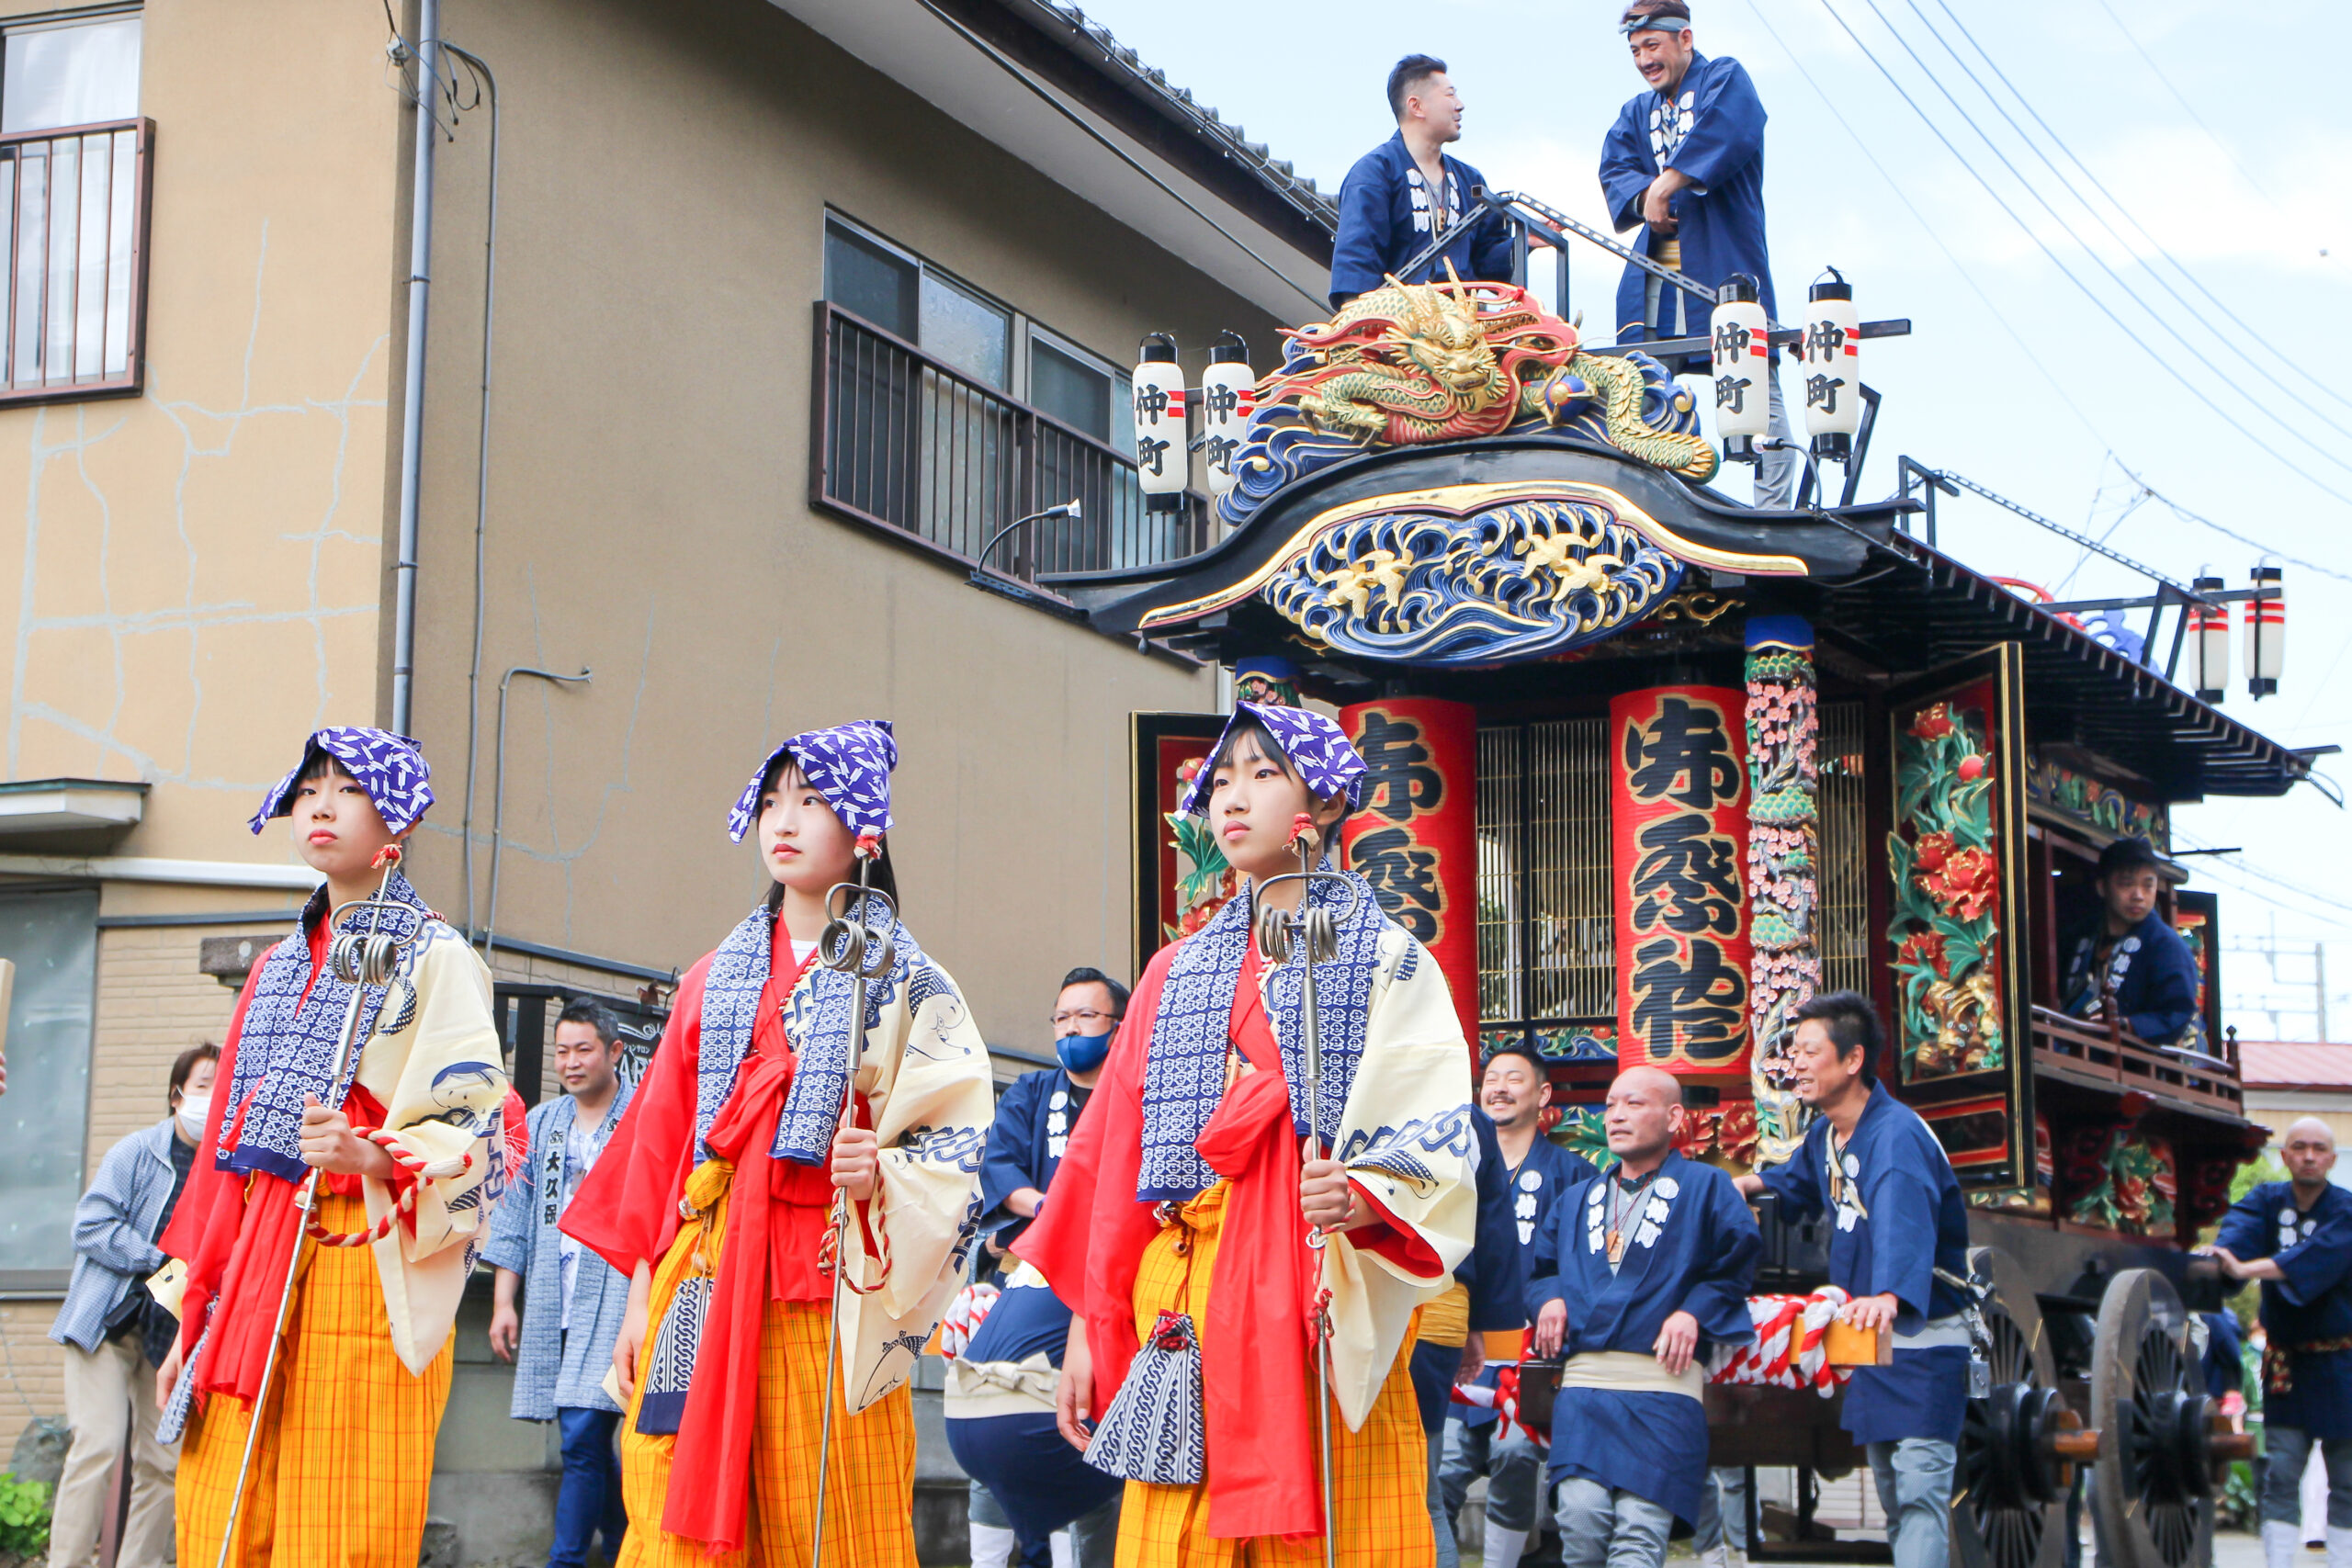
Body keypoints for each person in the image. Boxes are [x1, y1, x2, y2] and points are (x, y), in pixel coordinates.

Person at [1023, 701, 1478, 1568]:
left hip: (1319, 1281)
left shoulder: (1390, 957)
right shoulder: (1176, 967)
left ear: (1327, 802)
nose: (1232, 797)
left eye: (1263, 773)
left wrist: (1368, 1190)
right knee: (1174, 1539)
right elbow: (1114, 1152)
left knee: (1342, 1527)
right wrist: (1089, 1319)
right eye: (1222, 778)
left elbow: (1432, 1120)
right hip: (1183, 1287)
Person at [561, 720, 994, 1565]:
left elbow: (955, 1139)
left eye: (811, 800)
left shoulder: (910, 979)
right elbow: (660, 1145)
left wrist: (882, 1169)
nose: (783, 821)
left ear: (863, 825)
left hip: (827, 1273)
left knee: (836, 1512)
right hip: (703, 1266)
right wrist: (639, 1295)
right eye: (770, 802)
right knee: (666, 1489)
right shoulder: (708, 976)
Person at [154, 728, 512, 1568]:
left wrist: (376, 1154)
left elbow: (490, 1128)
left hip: (362, 1259)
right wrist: (190, 1317)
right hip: (253, 1258)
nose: (320, 802)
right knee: (220, 1509)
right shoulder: (277, 967)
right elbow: (223, 1164)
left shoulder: (439, 956)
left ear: (396, 817)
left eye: (347, 788)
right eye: (309, 786)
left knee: (344, 1515)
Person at [1734, 992, 1969, 1568]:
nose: (1798, 1065)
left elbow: (1904, 1218)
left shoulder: (1897, 1135)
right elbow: (1797, 1180)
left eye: (1811, 1052)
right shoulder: (1826, 1135)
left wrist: (1889, 1293)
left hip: (1921, 1333)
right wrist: (1747, 1186)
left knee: (1918, 1494)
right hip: (1872, 1340)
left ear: (1853, 1059)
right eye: (1795, 1053)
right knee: (1894, 1491)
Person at [1530, 1067, 1758, 1568]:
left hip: (1663, 1391)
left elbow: (1734, 1268)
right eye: (1611, 1105)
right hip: (1586, 1391)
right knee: (1580, 1523)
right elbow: (1540, 1270)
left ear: (1674, 1117)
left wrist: (1693, 1312)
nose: (1615, 1116)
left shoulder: (1710, 1187)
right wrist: (1549, 1299)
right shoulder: (1576, 1200)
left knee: (1639, 1532)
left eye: (1633, 1104)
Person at [954, 966, 1132, 1568]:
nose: (1071, 1027)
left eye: (1086, 1016)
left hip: (1111, 1290)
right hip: (1036, 1279)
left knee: (1080, 1431)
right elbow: (999, 1168)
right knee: (1002, 1413)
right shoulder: (1032, 1093)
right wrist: (1057, 1210)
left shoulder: (1134, 1097)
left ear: (1118, 1026)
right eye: (1062, 1017)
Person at [1600, 1, 1794, 508]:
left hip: (1725, 259)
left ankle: (1772, 513)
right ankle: (1649, 510)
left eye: (1653, 46)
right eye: (1635, 50)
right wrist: (1649, 199)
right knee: (1643, 390)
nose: (1644, 60)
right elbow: (1615, 168)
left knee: (1757, 395)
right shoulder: (1636, 113)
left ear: (1685, 39)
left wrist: (1667, 183)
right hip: (1659, 269)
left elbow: (1730, 128)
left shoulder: (1724, 78)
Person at [46, 1043, 217, 1568]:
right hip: (105, 1322)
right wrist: (157, 1259)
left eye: (222, 1086)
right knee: (97, 1446)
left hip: (168, 1336)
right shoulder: (137, 1151)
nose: (211, 1097)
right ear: (176, 1095)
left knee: (163, 1464)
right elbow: (89, 1226)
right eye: (202, 1086)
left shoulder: (228, 1172)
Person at [483, 999, 639, 1568]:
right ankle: (625, 1549)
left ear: (615, 1051)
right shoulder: (546, 1123)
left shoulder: (643, 1118)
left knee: (581, 1433)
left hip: (621, 1296)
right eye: (562, 1051)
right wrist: (504, 1301)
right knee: (591, 1440)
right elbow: (514, 1215)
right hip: (557, 1296)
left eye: (584, 1050)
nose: (571, 1062)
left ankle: (565, 1560)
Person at [1439, 1042, 1600, 1568]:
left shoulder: (1573, 1174)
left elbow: (1584, 1265)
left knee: (1514, 1453)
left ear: (1544, 1094)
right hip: (1465, 1345)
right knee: (1444, 1463)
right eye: (1491, 1078)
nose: (1499, 1087)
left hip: (1534, 1352)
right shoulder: (1453, 1169)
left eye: (1514, 1078)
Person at [2199, 1117, 2352, 1568]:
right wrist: (2224, 1258)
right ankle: (2278, 1563)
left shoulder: (2346, 1211)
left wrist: (2248, 1271)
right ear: (2284, 1156)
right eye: (2299, 1147)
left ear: (2332, 1158)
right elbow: (2237, 1238)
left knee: (2346, 1477)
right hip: (2287, 1364)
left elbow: (2314, 1259)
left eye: (2319, 1148)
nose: (2308, 1156)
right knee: (2282, 1473)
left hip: (2344, 1361)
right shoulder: (2265, 1200)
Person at [1329, 54, 1517, 309]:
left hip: (1465, 332)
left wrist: (1523, 243)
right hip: (1400, 332)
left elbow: (1488, 264)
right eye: (1450, 95)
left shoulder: (1470, 181)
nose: (1460, 105)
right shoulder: (1374, 173)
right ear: (1416, 106)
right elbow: (1357, 267)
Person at [2060, 837, 2199, 1047]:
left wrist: (2127, 1025)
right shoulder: (2080, 936)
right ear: (2102, 887)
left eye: (2147, 886)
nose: (2138, 896)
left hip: (2136, 1068)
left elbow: (2177, 1014)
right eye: (2127, 884)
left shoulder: (2167, 945)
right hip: (2076, 1054)